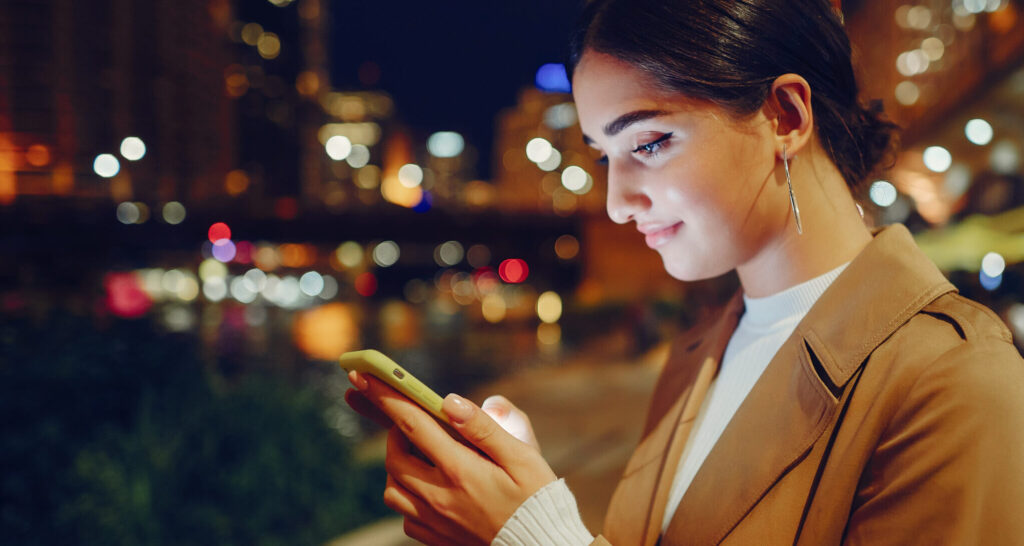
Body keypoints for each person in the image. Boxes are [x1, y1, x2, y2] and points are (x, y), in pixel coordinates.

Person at [345, 0, 1024, 543]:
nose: (615, 203)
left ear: (785, 115)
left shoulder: (955, 380)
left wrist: (533, 537)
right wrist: (525, 492)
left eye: (648, 142)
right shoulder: (700, 351)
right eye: (607, 156)